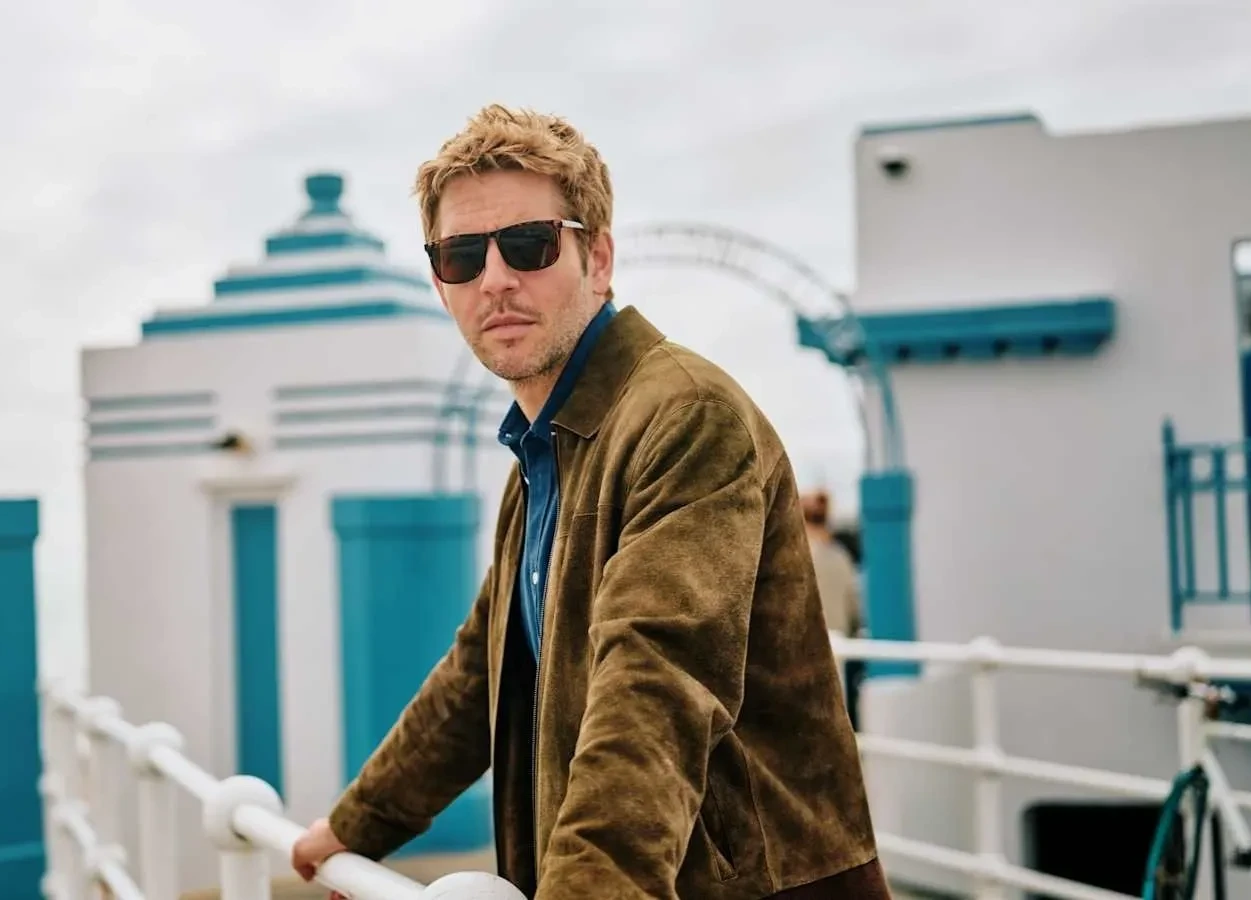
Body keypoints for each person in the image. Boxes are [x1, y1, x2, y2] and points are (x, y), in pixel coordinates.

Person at [291, 103, 887, 899]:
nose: (495, 278)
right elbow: (481, 672)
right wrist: (355, 828)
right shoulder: (544, 450)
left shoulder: (686, 417)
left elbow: (656, 685)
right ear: (441, 284)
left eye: (529, 246)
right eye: (462, 256)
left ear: (597, 260)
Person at [802, 489, 866, 730]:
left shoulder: (790, 557)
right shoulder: (841, 557)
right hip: (837, 655)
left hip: (802, 654)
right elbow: (854, 611)